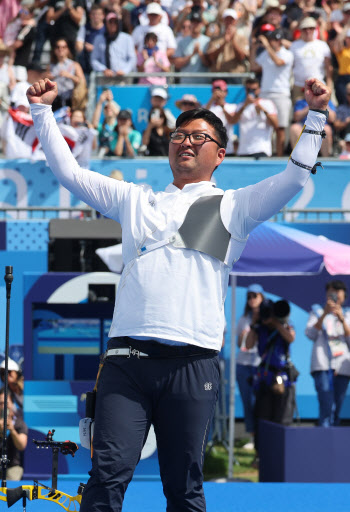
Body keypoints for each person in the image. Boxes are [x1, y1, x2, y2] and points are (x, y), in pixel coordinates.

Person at [27, 75, 330, 512]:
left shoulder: (233, 206)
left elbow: (293, 179)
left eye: (198, 137)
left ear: (220, 154)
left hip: (194, 363)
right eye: (178, 135)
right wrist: (42, 110)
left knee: (184, 487)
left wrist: (316, 116)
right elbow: (67, 172)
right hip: (127, 364)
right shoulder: (135, 199)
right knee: (106, 478)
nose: (185, 142)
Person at [246, 298, 297, 453]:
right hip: (264, 379)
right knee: (263, 417)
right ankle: (261, 455)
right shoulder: (259, 329)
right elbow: (248, 345)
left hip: (283, 378)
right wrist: (254, 324)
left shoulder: (285, 326)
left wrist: (276, 324)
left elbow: (291, 338)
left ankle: (282, 453)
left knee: (282, 418)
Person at [305, 280, 350, 427]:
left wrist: (342, 319)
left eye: (337, 292)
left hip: (342, 367)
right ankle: (324, 437)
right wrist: (324, 314)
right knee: (326, 404)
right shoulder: (317, 311)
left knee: (338, 406)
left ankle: (334, 441)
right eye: (331, 292)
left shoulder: (348, 314)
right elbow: (310, 334)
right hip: (322, 364)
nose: (334, 295)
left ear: (344, 295)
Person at [250, 28, 294, 156]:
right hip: (265, 93)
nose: (272, 42)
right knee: (264, 126)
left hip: (281, 94)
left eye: (275, 40)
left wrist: (267, 46)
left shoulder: (287, 54)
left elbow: (278, 62)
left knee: (280, 127)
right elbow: (253, 67)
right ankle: (267, 154)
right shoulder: (265, 54)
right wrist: (253, 48)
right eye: (271, 40)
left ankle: (279, 157)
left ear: (280, 41)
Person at [236, 284, 263, 449]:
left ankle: (262, 437)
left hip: (259, 366)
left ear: (261, 297)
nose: (252, 299)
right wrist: (244, 334)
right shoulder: (243, 318)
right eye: (249, 296)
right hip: (243, 365)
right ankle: (253, 438)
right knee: (247, 402)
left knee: (259, 402)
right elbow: (240, 345)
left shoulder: (267, 318)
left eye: (255, 296)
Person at [228, 77, 278, 157]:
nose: (251, 92)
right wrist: (244, 106)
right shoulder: (240, 106)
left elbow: (275, 124)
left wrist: (262, 110)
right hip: (243, 151)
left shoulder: (267, 103)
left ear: (259, 89)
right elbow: (232, 121)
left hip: (261, 149)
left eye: (253, 89)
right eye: (248, 90)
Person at [290, 17, 333, 102]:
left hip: (319, 85)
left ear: (315, 29)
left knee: (321, 113)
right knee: (299, 113)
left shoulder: (322, 45)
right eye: (305, 29)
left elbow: (328, 67)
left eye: (311, 28)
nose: (308, 31)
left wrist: (329, 85)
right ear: (301, 30)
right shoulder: (294, 46)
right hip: (299, 86)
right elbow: (290, 66)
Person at [206, 8, 249, 82]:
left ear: (236, 21)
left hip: (235, 75)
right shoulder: (215, 39)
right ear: (223, 21)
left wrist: (232, 41)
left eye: (231, 20)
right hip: (218, 75)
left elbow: (241, 58)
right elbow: (211, 57)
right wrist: (224, 42)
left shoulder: (242, 38)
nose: (229, 22)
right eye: (227, 19)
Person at [91, 11, 137, 78]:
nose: (113, 24)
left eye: (115, 22)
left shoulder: (127, 38)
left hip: (123, 78)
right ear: (106, 23)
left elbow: (132, 59)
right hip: (105, 78)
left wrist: (124, 71)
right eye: (110, 22)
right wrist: (103, 69)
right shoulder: (99, 39)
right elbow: (94, 59)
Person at [48, 38, 86, 111]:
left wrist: (70, 76)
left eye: (63, 47)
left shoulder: (74, 65)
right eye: (58, 47)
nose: (60, 49)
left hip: (70, 98)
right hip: (56, 100)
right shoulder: (51, 66)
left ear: (68, 49)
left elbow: (82, 82)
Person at [172, 11, 210, 84]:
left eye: (197, 23)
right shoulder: (182, 42)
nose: (195, 25)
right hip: (186, 83)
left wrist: (200, 53)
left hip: (203, 84)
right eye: (193, 22)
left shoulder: (207, 41)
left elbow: (209, 63)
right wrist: (191, 55)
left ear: (202, 24)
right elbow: (177, 64)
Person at [0, 388, 28, 481]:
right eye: (1, 403)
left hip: (12, 466)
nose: (3, 406)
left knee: (12, 478)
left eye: (6, 403)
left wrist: (12, 430)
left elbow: (21, 446)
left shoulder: (19, 423)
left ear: (12, 403)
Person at [204, 79, 237, 156]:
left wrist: (222, 106)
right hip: (210, 149)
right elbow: (202, 117)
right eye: (215, 91)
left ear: (226, 92)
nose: (218, 93)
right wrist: (212, 99)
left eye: (221, 91)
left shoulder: (232, 107)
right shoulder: (207, 106)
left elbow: (231, 120)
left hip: (227, 148)